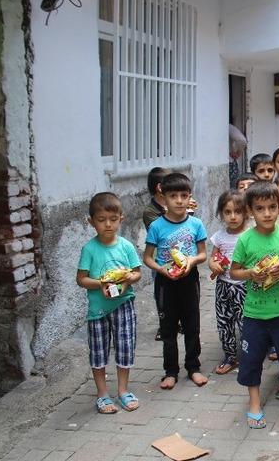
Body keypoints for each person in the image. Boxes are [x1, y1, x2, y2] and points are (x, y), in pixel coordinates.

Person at [229, 182, 279, 428]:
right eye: (260, 208)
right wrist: (251, 273)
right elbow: (234, 272)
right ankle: (254, 403)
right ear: (250, 212)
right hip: (254, 314)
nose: (267, 213)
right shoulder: (245, 239)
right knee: (251, 359)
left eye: (272, 207)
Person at [76, 192, 143, 414]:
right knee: (98, 351)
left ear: (121, 219)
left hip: (124, 304)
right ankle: (102, 394)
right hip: (98, 310)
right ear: (91, 221)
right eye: (101, 219)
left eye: (113, 220)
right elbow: (82, 279)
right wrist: (101, 283)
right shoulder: (89, 249)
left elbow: (137, 273)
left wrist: (127, 278)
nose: (107, 225)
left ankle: (123, 390)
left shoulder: (126, 246)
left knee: (125, 347)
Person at [142, 173, 209, 390]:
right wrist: (161, 269)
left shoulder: (196, 224)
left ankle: (194, 367)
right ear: (164, 198)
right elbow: (147, 258)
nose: (179, 201)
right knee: (168, 328)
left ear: (189, 196)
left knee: (192, 325)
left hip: (189, 280)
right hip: (166, 283)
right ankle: (170, 371)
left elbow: (202, 255)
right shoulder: (156, 226)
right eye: (173, 196)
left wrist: (191, 261)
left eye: (183, 195)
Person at [208, 190, 248, 375]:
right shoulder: (219, 236)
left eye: (238, 212)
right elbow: (212, 258)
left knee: (245, 323)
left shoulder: (249, 235)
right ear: (221, 213)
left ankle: (249, 357)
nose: (233, 217)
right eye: (227, 212)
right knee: (224, 322)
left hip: (244, 286)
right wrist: (214, 265)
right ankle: (230, 356)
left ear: (246, 212)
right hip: (223, 285)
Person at [143, 167, 170, 342]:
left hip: (180, 257)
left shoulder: (173, 205)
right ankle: (164, 325)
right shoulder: (150, 211)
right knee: (162, 294)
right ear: (160, 188)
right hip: (159, 260)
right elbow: (161, 231)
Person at [229, 122, 248, 189]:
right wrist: (238, 152)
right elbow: (242, 140)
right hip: (230, 163)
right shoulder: (228, 126)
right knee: (233, 188)